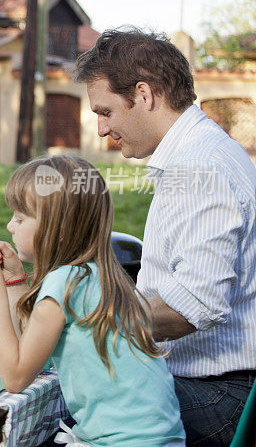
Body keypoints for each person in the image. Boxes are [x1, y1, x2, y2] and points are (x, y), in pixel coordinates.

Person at [74, 27, 256, 446]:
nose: (101, 129)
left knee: (58, 406)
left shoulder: (199, 167)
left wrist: (82, 322)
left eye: (105, 112)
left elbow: (193, 306)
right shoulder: (198, 156)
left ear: (144, 94)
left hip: (220, 397)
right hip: (213, 386)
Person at [0, 156, 185, 446]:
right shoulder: (99, 276)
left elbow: (16, 377)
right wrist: (13, 282)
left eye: (20, 218)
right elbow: (35, 350)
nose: (10, 225)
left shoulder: (66, 283)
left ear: (58, 229)